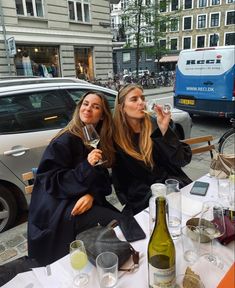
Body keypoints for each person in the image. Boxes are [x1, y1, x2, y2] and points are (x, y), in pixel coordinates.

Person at [28, 91, 123, 266]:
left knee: (120, 223)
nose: (88, 109)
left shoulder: (95, 140)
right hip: (57, 208)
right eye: (85, 104)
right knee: (119, 224)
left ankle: (113, 264)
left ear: (102, 116)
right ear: (79, 107)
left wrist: (91, 194)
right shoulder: (64, 141)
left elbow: (102, 180)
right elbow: (50, 181)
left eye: (95, 107)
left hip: (80, 201)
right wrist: (86, 166)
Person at [112, 83, 192, 215]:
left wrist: (165, 130)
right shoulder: (115, 137)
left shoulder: (155, 124)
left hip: (171, 186)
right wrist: (154, 194)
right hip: (142, 198)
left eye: (142, 98)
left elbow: (181, 160)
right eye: (134, 99)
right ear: (122, 108)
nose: (141, 103)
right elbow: (122, 183)